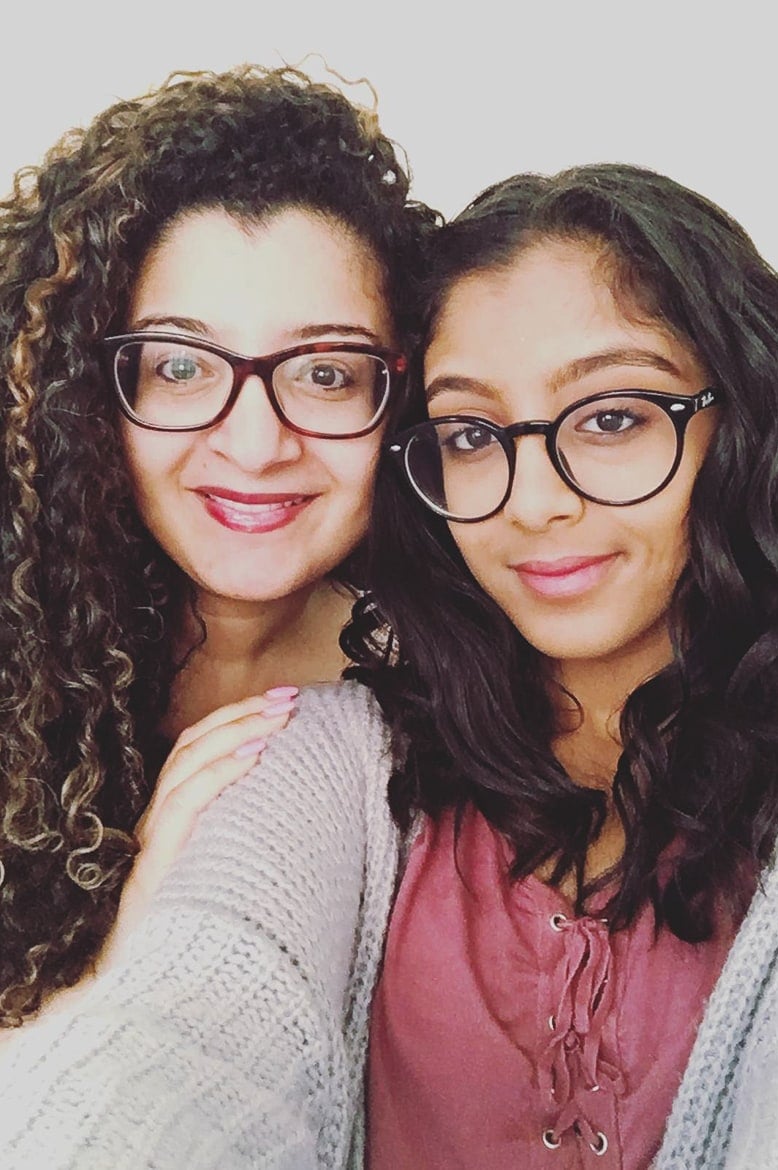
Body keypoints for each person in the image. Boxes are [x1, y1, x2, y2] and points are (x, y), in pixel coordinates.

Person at [0, 166, 777, 1170]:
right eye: (472, 434)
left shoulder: (352, 669)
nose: (532, 499)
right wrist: (116, 979)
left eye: (612, 417)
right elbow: (192, 1044)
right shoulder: (334, 758)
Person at [0, 63, 435, 1029]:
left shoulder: (456, 686)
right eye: (181, 366)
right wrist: (130, 941)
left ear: (400, 395)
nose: (254, 444)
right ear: (85, 393)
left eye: (325, 372)